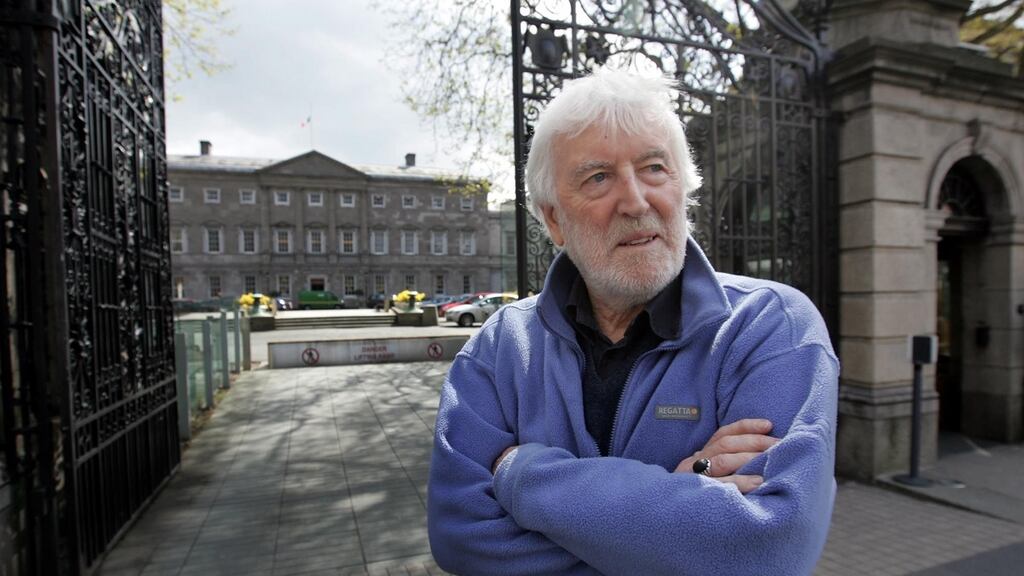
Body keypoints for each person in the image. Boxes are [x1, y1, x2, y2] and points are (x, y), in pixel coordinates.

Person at [427, 67, 839, 575]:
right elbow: (459, 537)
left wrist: (518, 472)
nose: (636, 200)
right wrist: (681, 503)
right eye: (598, 177)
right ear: (554, 218)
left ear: (683, 188)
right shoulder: (499, 349)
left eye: (654, 168)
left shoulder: (772, 327)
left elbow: (769, 547)